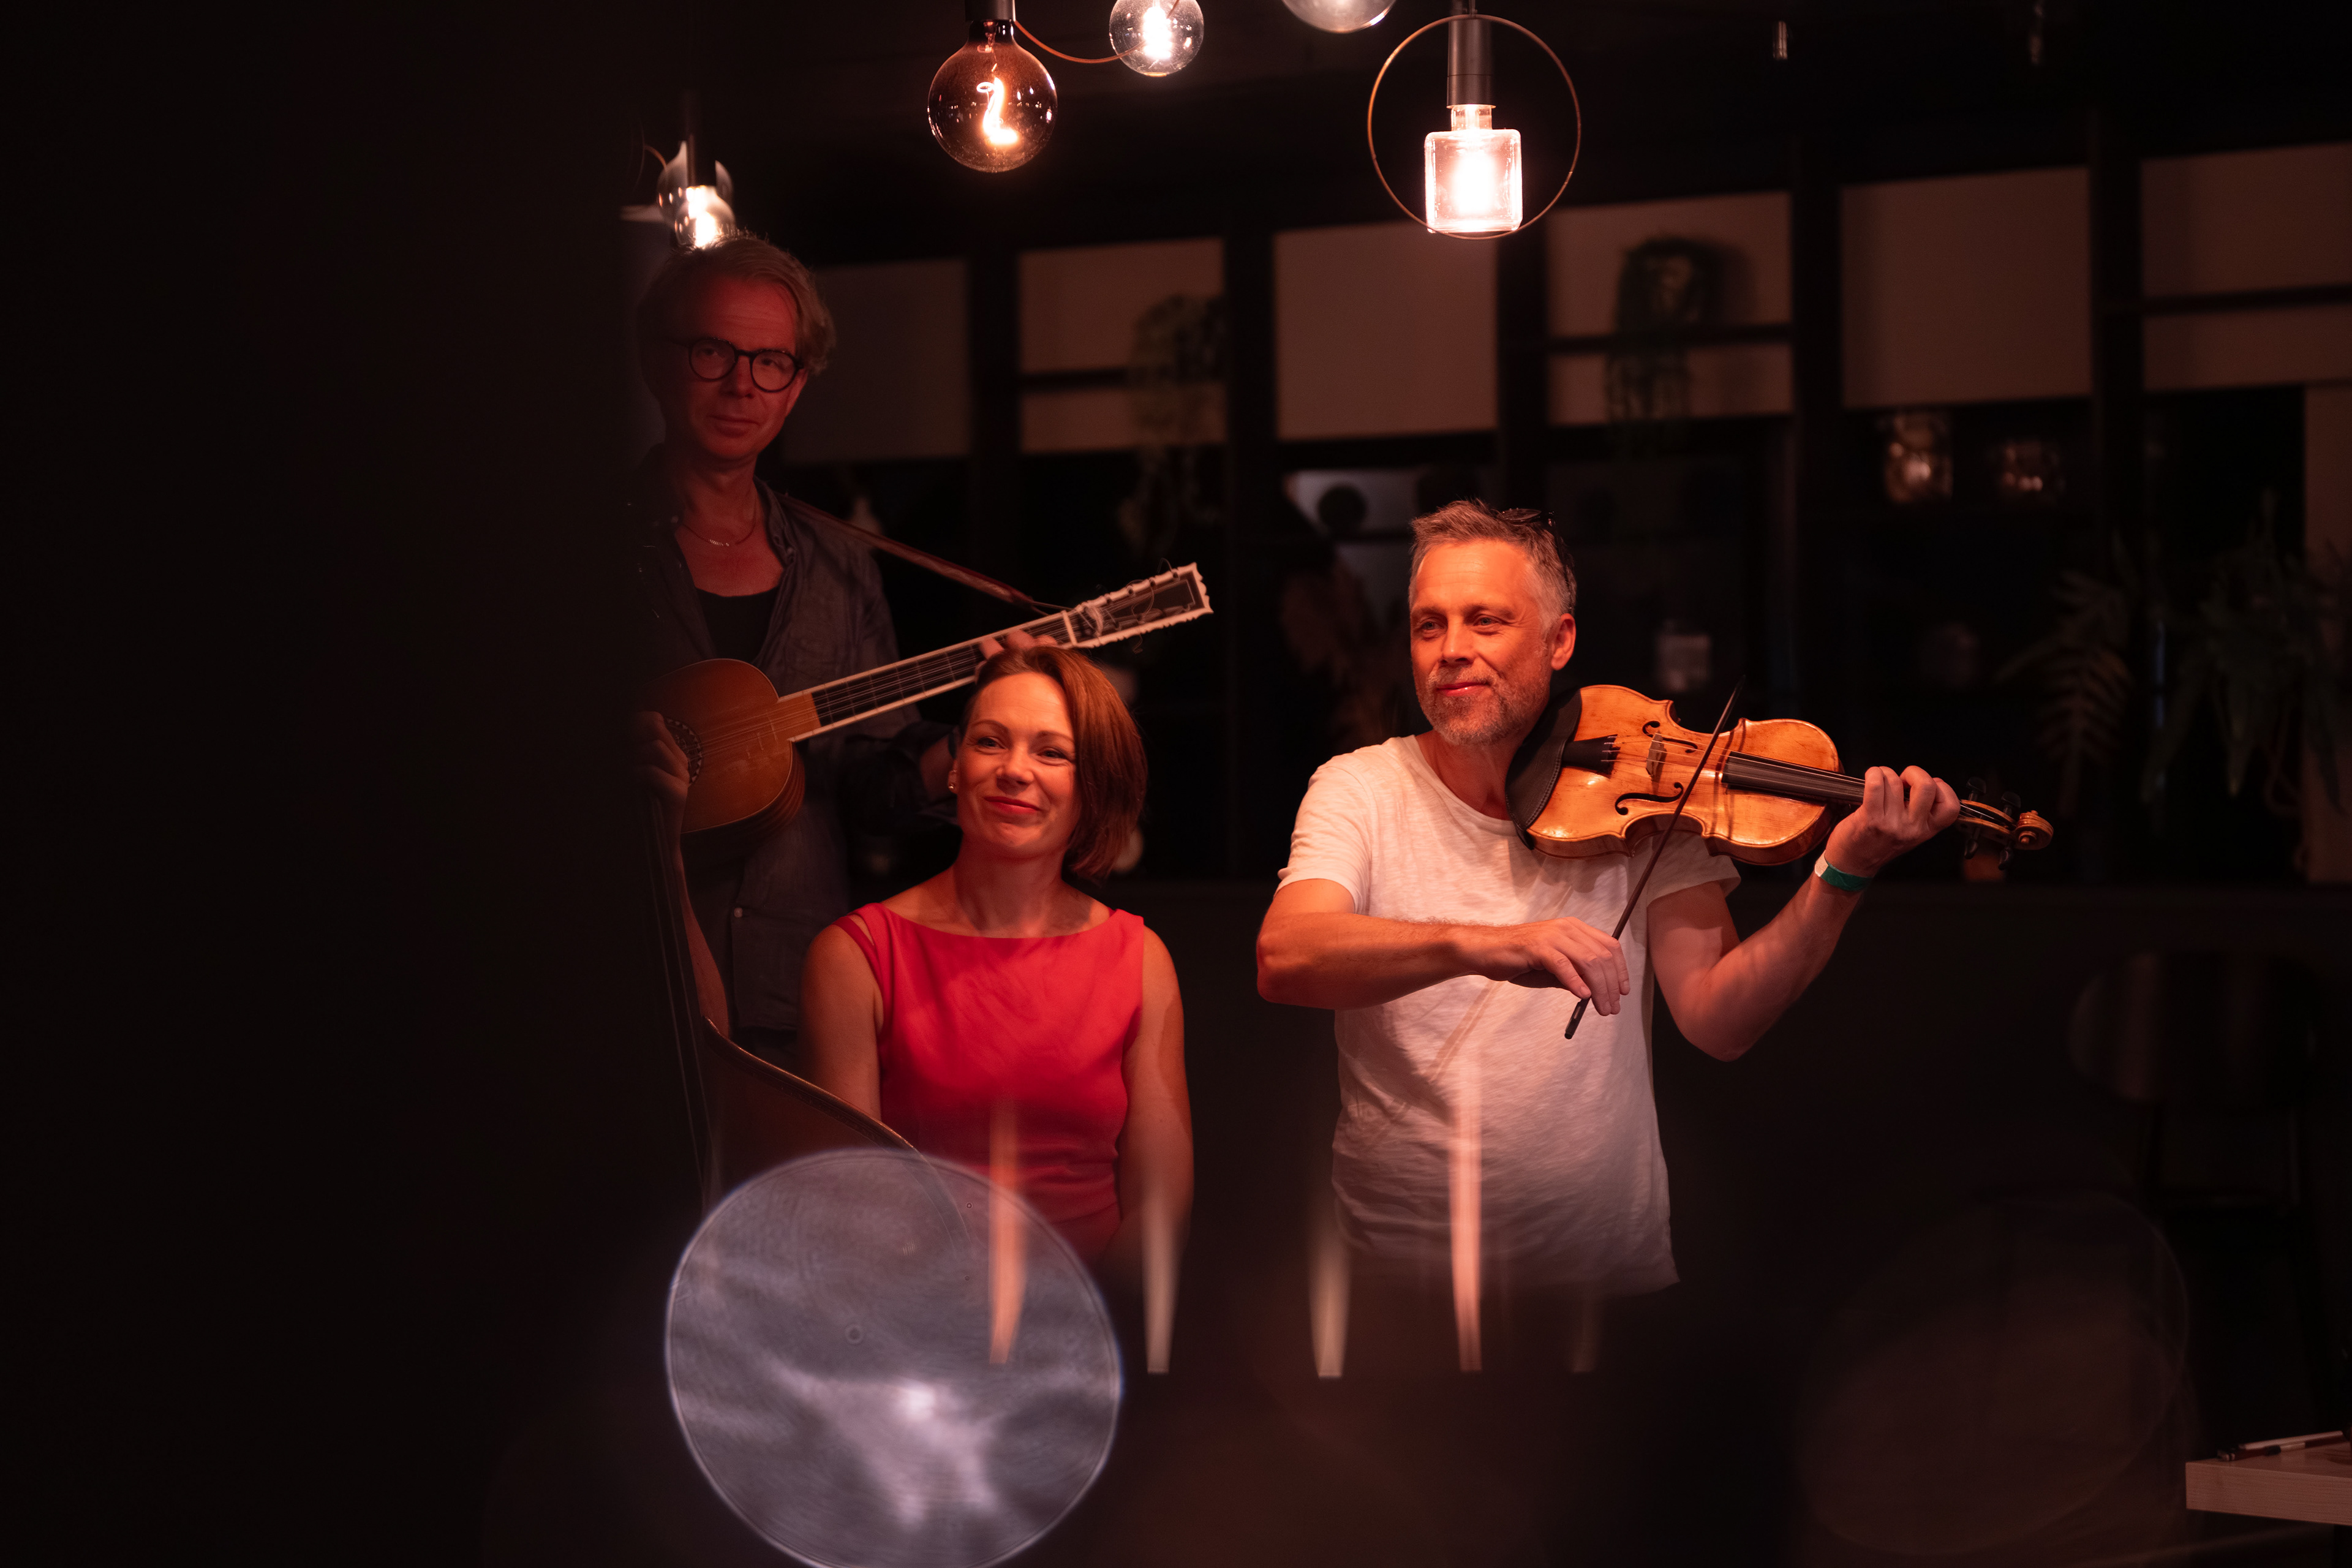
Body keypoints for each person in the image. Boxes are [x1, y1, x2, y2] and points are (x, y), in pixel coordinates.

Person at [1257, 498, 1961, 1324]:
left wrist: (1841, 874)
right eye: (1428, 625)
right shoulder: (1361, 788)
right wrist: (1485, 944)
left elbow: (1720, 1020)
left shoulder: (1651, 792)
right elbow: (1287, 955)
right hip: (1398, 1288)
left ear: (1559, 640)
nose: (1452, 650)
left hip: (1602, 1281)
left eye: (1486, 621)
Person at [627, 233, 957, 1071]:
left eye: (772, 362)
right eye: (713, 351)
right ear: (656, 361)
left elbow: (873, 789)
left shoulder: (840, 565)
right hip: (619, 972)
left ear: (798, 386)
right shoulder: (586, 552)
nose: (743, 384)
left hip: (797, 994)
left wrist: (967, 744)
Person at [796, 646, 1193, 1278]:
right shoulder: (856, 955)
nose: (1014, 770)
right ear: (955, 768)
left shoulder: (1140, 958)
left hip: (1098, 1316)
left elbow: (1159, 1204)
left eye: (1052, 752)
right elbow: (850, 1204)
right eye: (989, 742)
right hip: (916, 1314)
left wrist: (1091, 1322)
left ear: (1092, 786)